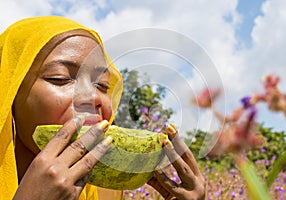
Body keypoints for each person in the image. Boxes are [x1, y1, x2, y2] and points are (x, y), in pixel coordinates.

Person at [0, 16, 205, 200]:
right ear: (8, 92)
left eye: (103, 86)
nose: (94, 97)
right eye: (60, 78)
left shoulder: (106, 193)